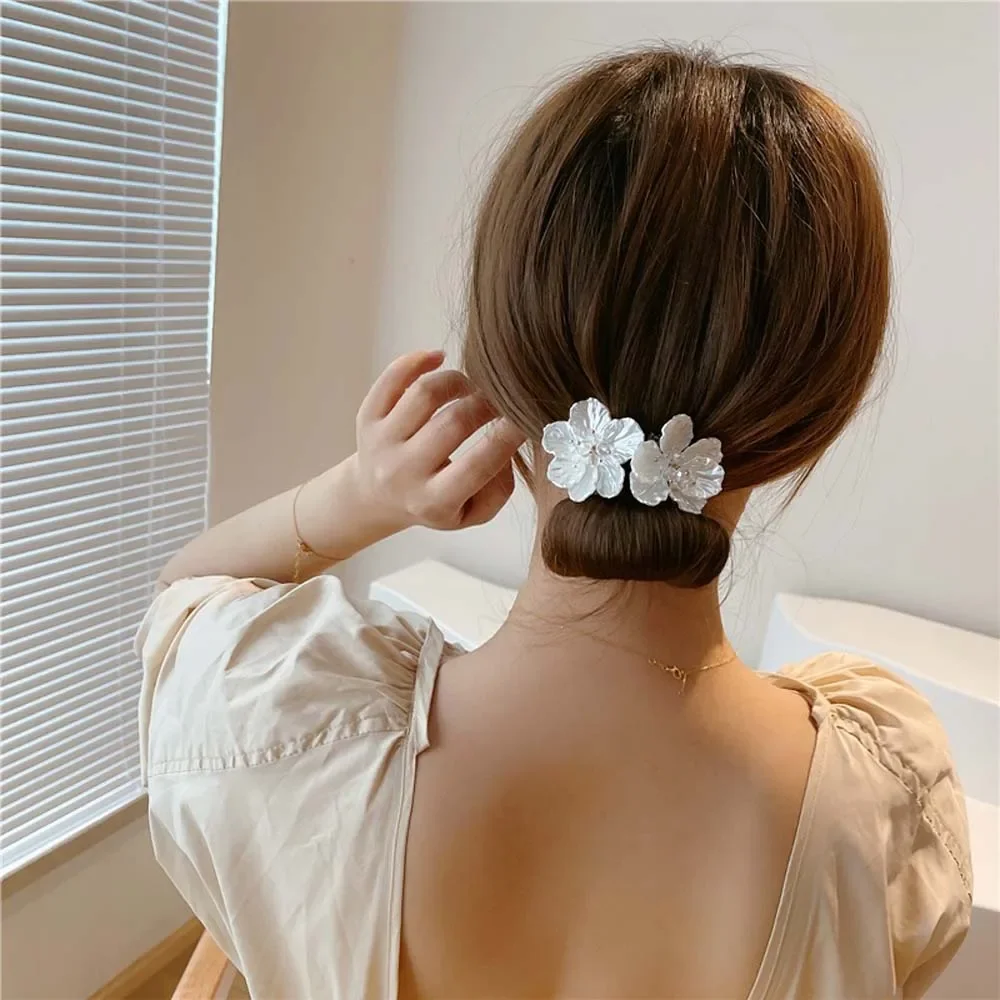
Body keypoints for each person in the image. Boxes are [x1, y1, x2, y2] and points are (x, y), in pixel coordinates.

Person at [138, 47, 971, 999]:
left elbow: (188, 603)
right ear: (808, 421)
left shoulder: (294, 738)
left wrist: (364, 491)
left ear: (497, 375)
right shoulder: (882, 812)